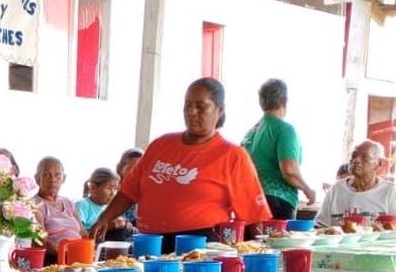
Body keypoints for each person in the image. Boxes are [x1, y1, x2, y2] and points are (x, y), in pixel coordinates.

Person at [87, 78, 272, 251]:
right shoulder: (160, 145)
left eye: (201, 107)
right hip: (149, 242)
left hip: (201, 246)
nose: (192, 112)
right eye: (188, 105)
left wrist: (260, 254)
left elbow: (254, 216)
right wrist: (104, 218)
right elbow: (129, 191)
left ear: (220, 110)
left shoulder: (233, 156)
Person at [241, 79, 318, 219]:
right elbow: (289, 170)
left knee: (252, 242)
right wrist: (308, 190)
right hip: (276, 200)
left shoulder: (250, 133)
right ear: (284, 101)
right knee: (278, 240)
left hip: (250, 200)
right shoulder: (285, 130)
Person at [315, 141, 396, 225]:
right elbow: (321, 224)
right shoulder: (337, 189)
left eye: (365, 157)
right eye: (354, 156)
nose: (356, 160)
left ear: (380, 163)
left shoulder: (389, 191)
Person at [32, 157, 85, 254]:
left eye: (57, 175)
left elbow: (83, 233)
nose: (53, 180)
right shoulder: (34, 205)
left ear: (63, 178)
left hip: (78, 256)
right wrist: (66, 252)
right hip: (54, 259)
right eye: (47, 175)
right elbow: (40, 239)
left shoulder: (68, 202)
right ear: (37, 179)